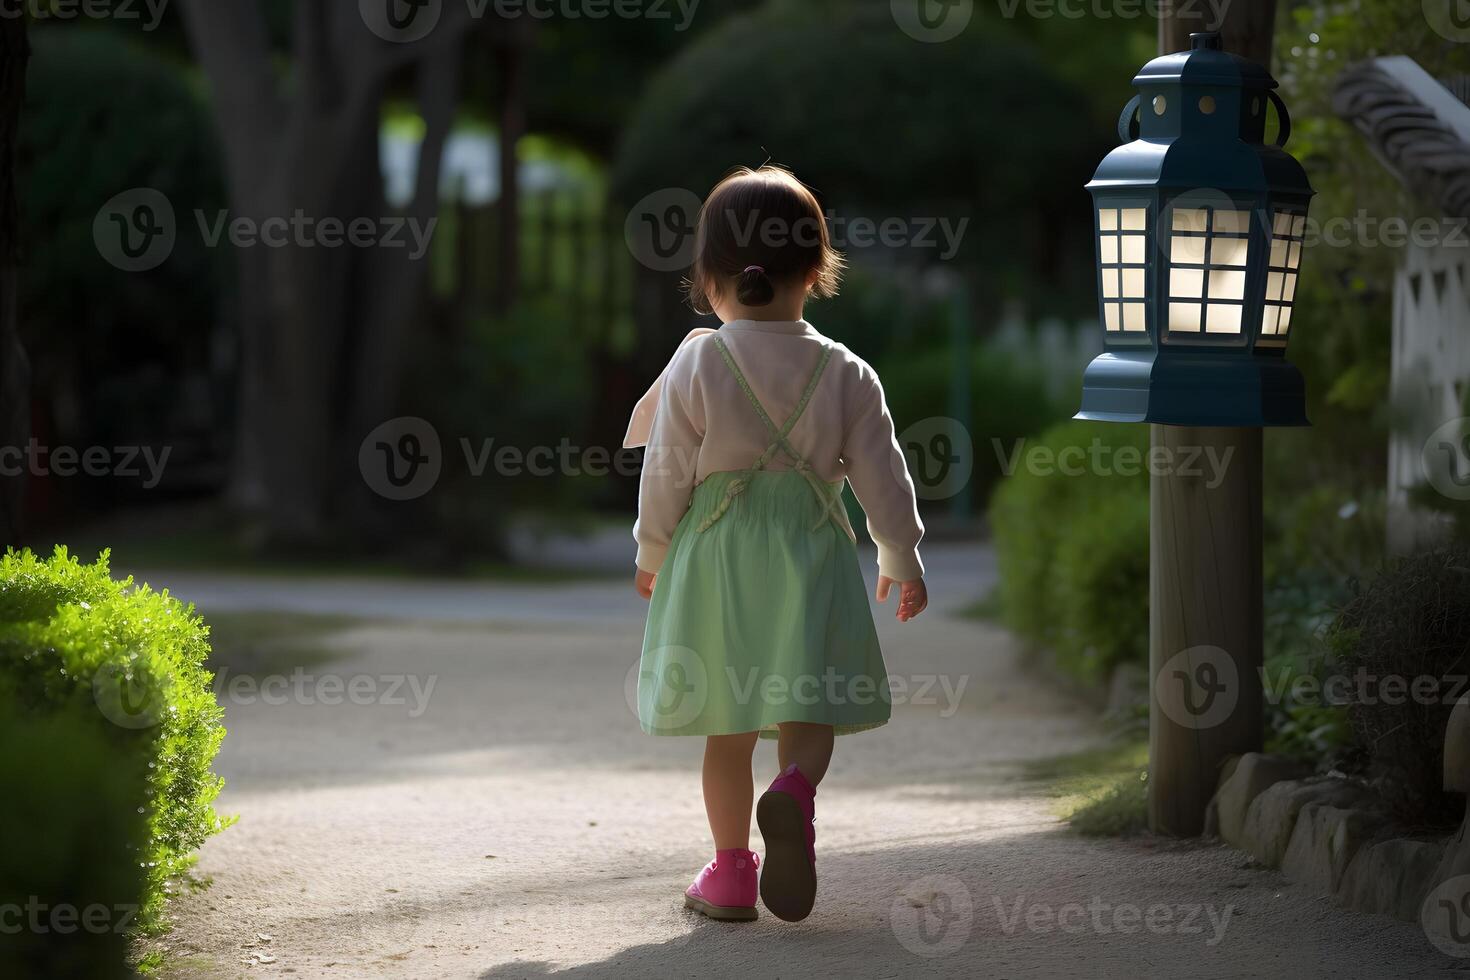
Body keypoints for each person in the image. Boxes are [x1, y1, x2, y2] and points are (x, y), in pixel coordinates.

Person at [624, 165, 928, 923]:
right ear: (818, 269)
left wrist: (652, 550)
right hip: (810, 548)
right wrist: (901, 555)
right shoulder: (846, 370)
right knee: (808, 703)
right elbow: (883, 476)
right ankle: (794, 791)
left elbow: (664, 469)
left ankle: (729, 872)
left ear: (709, 275)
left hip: (718, 549)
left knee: (726, 724)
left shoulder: (699, 360)